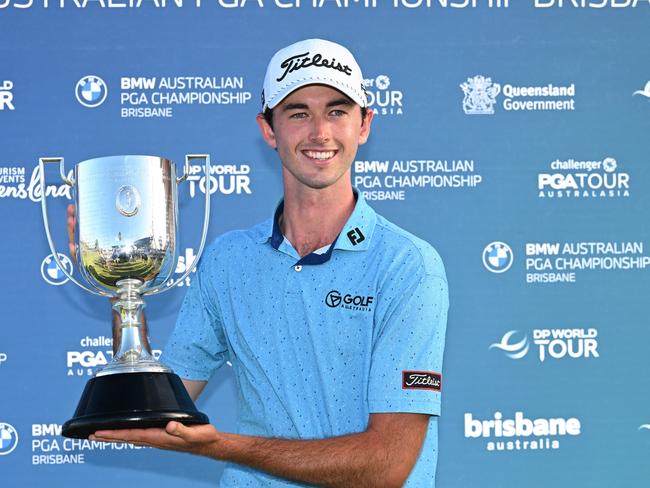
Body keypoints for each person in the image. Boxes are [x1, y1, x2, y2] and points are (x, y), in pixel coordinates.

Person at [91, 38, 449, 488]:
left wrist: (222, 446)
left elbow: (387, 464)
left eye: (337, 111)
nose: (320, 132)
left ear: (364, 124)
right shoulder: (227, 259)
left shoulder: (408, 265)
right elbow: (165, 404)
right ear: (268, 129)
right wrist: (120, 280)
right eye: (299, 113)